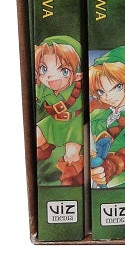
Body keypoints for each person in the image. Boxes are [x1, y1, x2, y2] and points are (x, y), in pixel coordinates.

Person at [35, 35, 84, 186]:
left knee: (71, 155)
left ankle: (72, 180)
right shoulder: (42, 89)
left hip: (74, 125)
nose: (50, 76)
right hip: (52, 123)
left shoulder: (79, 88)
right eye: (44, 69)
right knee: (34, 139)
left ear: (77, 73)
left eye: (63, 70)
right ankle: (47, 147)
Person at [89, 46, 125, 188]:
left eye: (117, 87)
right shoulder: (96, 115)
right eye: (101, 91)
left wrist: (114, 165)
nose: (108, 96)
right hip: (96, 178)